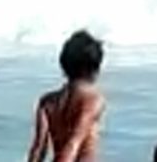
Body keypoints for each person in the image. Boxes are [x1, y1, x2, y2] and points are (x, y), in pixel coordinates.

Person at [27, 30, 105, 162]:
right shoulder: (92, 100)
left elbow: (38, 149)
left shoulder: (47, 102)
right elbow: (74, 142)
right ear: (93, 68)